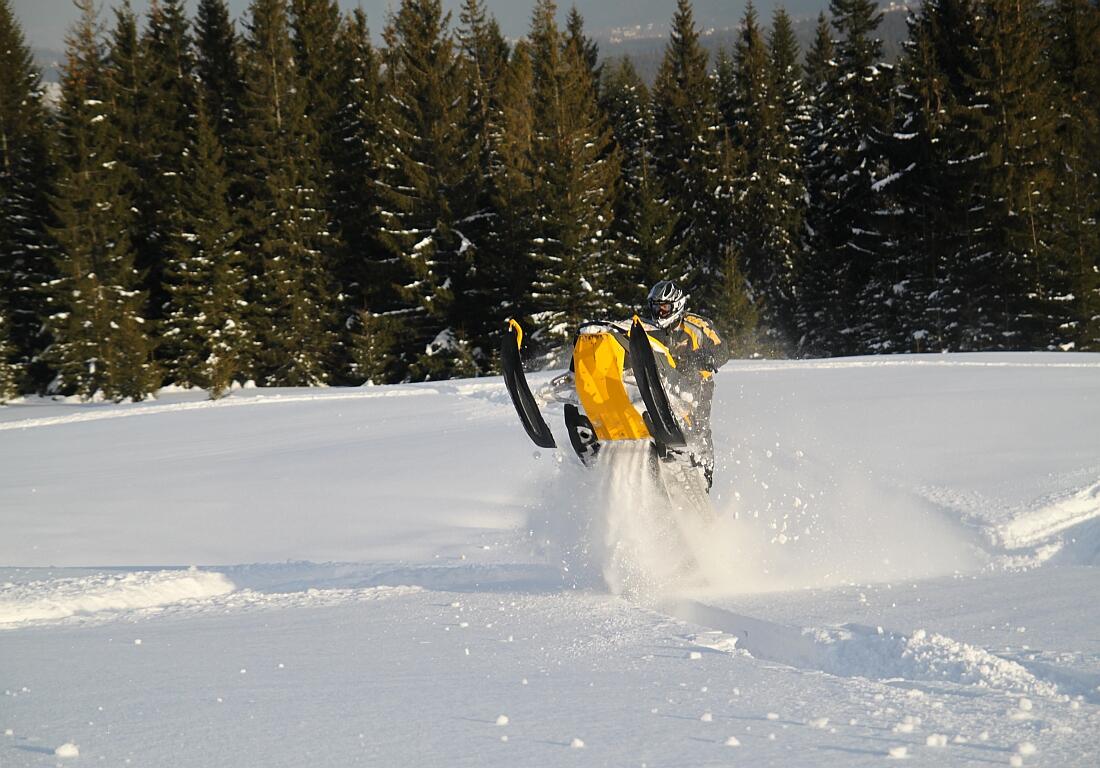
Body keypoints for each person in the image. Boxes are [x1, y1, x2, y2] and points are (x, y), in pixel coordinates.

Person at [642, 280, 729, 488]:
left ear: (677, 305)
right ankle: (653, 460)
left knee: (697, 426)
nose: (659, 312)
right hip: (660, 382)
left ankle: (703, 471)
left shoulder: (697, 325)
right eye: (655, 306)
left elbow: (723, 349)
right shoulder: (647, 328)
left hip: (696, 382)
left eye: (664, 307)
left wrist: (705, 357)